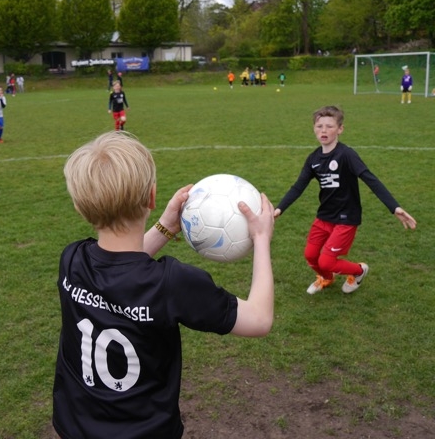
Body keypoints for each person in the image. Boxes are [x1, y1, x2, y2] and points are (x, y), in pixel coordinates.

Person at [52, 131, 275, 439]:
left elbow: (123, 267)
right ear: (152, 198)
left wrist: (166, 227)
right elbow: (259, 319)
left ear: (80, 207)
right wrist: (261, 239)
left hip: (75, 425)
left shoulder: (73, 259)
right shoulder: (171, 283)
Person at [274, 105, 416, 295]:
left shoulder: (347, 155)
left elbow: (370, 179)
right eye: (319, 126)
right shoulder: (313, 158)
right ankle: (327, 278)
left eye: (330, 126)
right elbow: (298, 187)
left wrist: (394, 207)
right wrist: (279, 209)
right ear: (314, 128)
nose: (324, 130)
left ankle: (359, 271)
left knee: (326, 261)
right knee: (310, 256)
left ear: (340, 129)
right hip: (325, 216)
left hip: (346, 218)